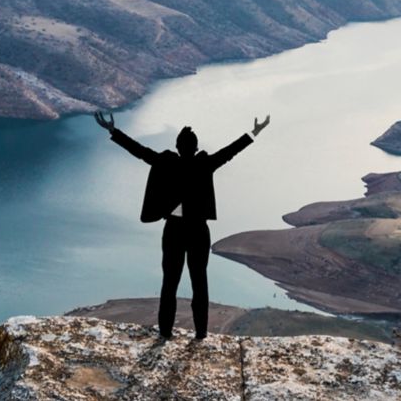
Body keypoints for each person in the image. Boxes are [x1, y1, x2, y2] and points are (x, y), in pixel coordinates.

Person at [94, 111, 270, 341]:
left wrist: (113, 131)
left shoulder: (166, 163)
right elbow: (230, 152)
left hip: (174, 230)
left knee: (170, 283)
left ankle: (165, 333)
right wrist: (254, 132)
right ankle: (200, 334)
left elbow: (139, 151)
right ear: (196, 148)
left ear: (177, 147)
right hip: (198, 230)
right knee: (199, 282)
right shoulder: (204, 164)